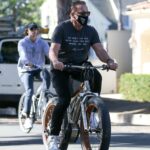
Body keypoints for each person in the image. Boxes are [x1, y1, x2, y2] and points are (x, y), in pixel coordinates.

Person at [48, 1, 118, 149]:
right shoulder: (62, 29)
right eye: (82, 14)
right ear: (72, 15)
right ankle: (53, 136)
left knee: (96, 76)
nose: (85, 17)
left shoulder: (90, 31)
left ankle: (92, 111)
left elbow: (99, 50)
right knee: (64, 99)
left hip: (79, 65)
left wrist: (109, 61)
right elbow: (53, 50)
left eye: (87, 14)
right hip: (61, 67)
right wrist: (55, 61)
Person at [17, 22, 50, 129]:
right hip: (25, 69)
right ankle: (27, 116)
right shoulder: (22, 42)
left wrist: (55, 60)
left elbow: (49, 53)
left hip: (38, 68)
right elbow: (23, 56)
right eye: (32, 29)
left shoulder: (42, 42)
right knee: (29, 91)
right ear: (27, 31)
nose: (35, 32)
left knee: (47, 77)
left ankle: (42, 96)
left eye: (36, 29)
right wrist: (27, 62)